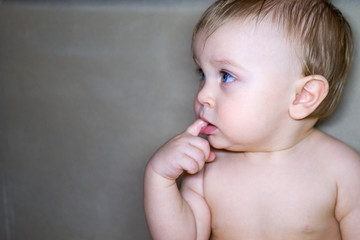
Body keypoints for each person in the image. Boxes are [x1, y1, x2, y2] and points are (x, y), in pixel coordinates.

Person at [144, 0, 360, 239]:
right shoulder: (204, 169)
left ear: (302, 96)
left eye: (226, 76)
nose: (203, 95)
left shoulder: (343, 171)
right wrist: (159, 178)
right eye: (202, 75)